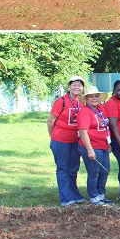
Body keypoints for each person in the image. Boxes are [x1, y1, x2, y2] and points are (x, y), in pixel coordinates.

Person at [47, 76, 87, 206]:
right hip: (61, 140)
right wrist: (53, 136)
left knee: (73, 169)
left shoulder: (81, 103)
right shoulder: (61, 101)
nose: (77, 87)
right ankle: (66, 198)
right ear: (69, 86)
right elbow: (50, 120)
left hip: (75, 141)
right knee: (63, 169)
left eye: (79, 85)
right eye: (74, 85)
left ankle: (75, 195)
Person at [76, 85, 112, 205]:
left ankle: (101, 195)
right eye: (91, 96)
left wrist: (108, 143)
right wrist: (89, 149)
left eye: (96, 96)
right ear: (86, 98)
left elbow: (105, 126)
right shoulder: (84, 112)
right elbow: (83, 132)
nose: (94, 98)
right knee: (94, 172)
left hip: (103, 145)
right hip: (92, 146)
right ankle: (93, 197)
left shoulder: (100, 109)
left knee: (105, 171)